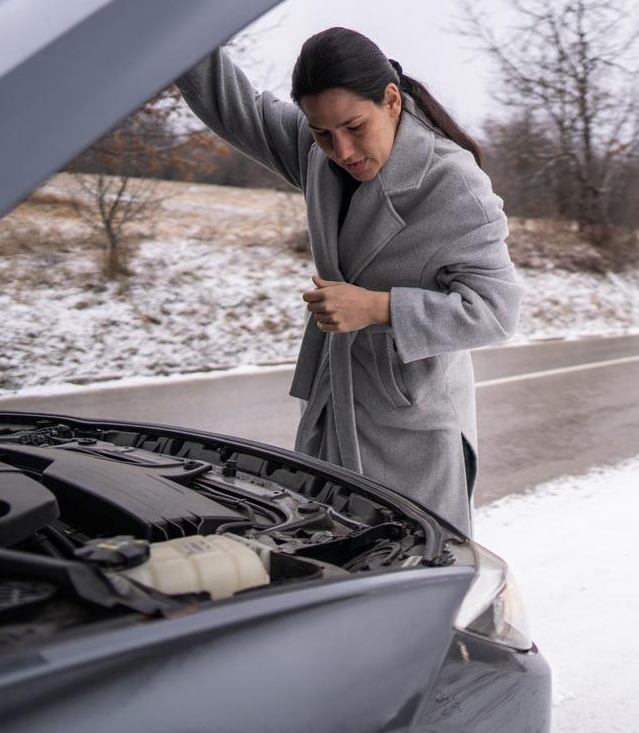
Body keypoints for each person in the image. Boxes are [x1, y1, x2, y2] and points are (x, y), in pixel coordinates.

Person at [175, 27, 521, 535]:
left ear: (391, 100)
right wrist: (175, 32)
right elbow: (233, 105)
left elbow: (496, 311)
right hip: (332, 404)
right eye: (322, 133)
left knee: (410, 578)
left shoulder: (453, 184)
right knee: (327, 559)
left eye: (355, 127)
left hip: (414, 430)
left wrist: (377, 308)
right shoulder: (317, 153)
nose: (342, 149)